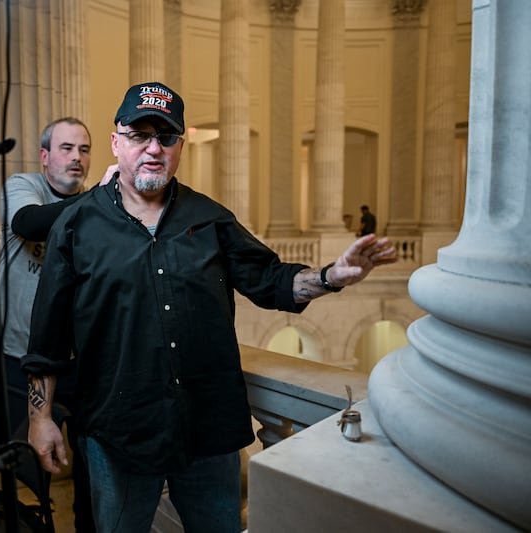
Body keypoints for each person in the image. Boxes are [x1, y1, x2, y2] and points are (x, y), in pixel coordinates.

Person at [21, 82, 398, 532]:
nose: (153, 148)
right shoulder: (76, 225)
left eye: (167, 137)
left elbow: (270, 280)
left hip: (208, 430)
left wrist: (329, 276)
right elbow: (48, 335)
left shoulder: (210, 217)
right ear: (116, 141)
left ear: (181, 146)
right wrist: (39, 418)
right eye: (140, 135)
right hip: (121, 434)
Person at [0, 117, 113, 532]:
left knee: (92, 463)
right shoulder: (23, 186)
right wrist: (105, 199)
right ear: (45, 156)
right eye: (67, 148)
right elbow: (29, 223)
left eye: (84, 149)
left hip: (76, 364)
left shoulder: (99, 206)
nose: (76, 157)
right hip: (10, 357)